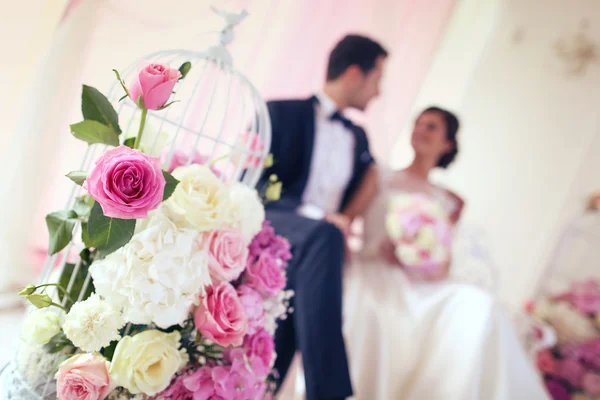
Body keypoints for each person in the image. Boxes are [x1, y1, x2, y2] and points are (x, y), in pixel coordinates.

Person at [341, 107, 549, 399]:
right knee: (374, 312)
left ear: (447, 144)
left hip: (419, 280)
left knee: (479, 304)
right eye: (418, 124)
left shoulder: (450, 201)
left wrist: (413, 255)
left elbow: (442, 264)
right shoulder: (380, 175)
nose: (421, 131)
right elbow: (347, 220)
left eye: (432, 127)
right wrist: (379, 247)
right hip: (373, 269)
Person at [261, 34, 387, 400]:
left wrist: (345, 216)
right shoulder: (279, 112)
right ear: (353, 73)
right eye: (377, 79)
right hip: (277, 227)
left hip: (314, 252)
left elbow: (367, 188)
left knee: (279, 345)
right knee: (327, 237)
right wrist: (323, 220)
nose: (378, 92)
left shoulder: (359, 138)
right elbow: (255, 185)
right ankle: (330, 393)